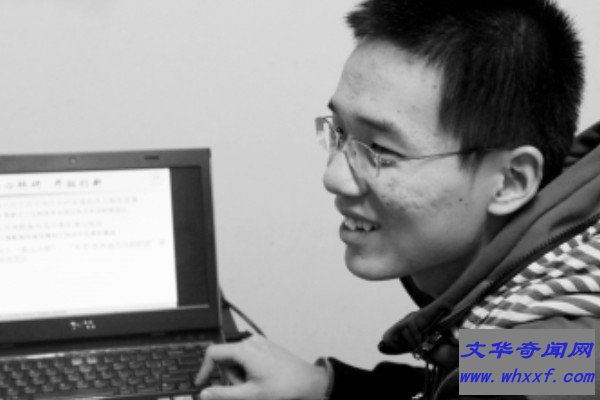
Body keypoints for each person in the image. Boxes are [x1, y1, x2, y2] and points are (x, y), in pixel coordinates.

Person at [195, 0, 600, 398]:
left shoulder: (550, 364)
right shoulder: (549, 341)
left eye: (382, 151)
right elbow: (476, 376)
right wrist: (325, 386)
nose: (334, 177)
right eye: (339, 132)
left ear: (511, 181)